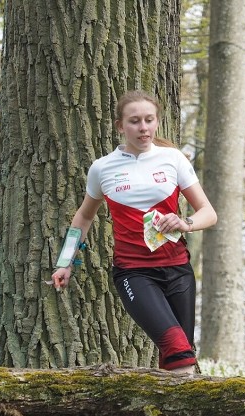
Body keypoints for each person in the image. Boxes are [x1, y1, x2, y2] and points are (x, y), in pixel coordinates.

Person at [51, 90, 217, 374]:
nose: (143, 128)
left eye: (149, 120)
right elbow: (84, 216)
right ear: (120, 126)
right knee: (179, 349)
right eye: (135, 121)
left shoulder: (173, 159)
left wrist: (184, 222)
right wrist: (65, 262)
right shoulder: (102, 168)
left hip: (178, 269)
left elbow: (208, 213)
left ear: (157, 122)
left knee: (179, 355)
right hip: (135, 273)